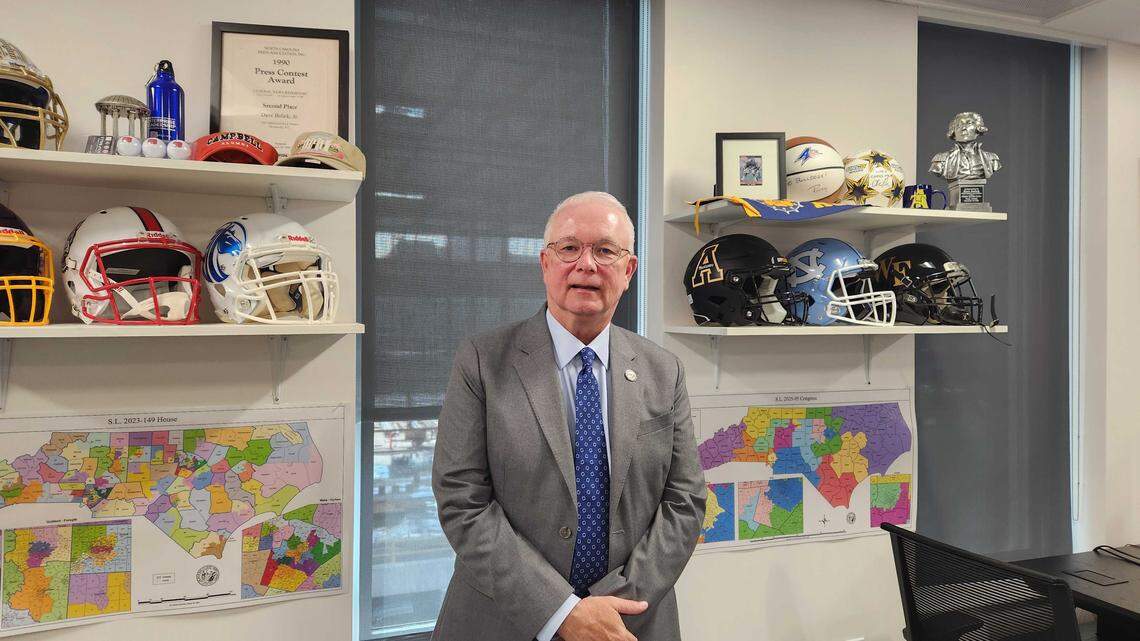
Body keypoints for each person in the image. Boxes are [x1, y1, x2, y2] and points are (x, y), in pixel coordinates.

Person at [431, 191, 706, 641]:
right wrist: (562, 612)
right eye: (569, 248)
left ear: (628, 269)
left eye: (605, 250)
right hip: (505, 620)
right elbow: (463, 501)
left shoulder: (663, 370)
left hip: (630, 621)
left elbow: (685, 502)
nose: (586, 264)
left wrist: (610, 606)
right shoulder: (482, 361)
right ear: (545, 262)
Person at [929, 111, 1002, 181]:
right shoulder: (942, 160)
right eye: (958, 125)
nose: (963, 128)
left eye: (969, 123)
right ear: (953, 132)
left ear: (978, 129)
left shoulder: (991, 159)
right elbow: (936, 170)